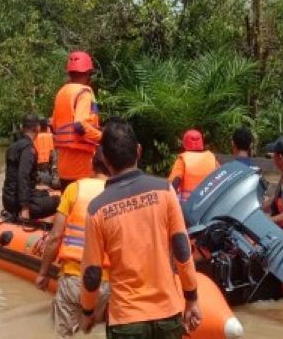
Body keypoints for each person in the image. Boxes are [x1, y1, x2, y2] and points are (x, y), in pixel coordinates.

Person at [78, 119, 202, 338]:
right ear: (138, 150)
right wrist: (191, 298)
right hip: (168, 315)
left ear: (105, 159)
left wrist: (87, 311)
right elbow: (182, 250)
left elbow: (92, 272)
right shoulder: (164, 191)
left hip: (126, 320)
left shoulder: (96, 209)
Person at [34, 149, 113, 337]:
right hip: (107, 281)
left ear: (91, 165)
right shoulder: (118, 193)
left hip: (74, 277)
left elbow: (55, 237)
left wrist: (43, 273)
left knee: (64, 334)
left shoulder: (75, 189)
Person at [51, 50, 102, 190]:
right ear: (88, 73)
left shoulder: (61, 92)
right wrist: (102, 137)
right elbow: (80, 125)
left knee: (67, 202)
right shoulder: (84, 92)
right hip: (81, 163)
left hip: (64, 165)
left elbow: (54, 125)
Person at [2, 114, 59, 221]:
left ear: (22, 128)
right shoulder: (28, 148)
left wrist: (37, 188)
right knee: (59, 201)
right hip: (18, 205)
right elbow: (23, 176)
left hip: (8, 201)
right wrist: (25, 208)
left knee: (45, 193)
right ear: (37, 127)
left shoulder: (14, 146)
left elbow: (14, 177)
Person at [167, 128, 219, 203]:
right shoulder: (211, 157)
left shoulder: (183, 159)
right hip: (208, 201)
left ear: (184, 143)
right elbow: (221, 176)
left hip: (188, 203)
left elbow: (174, 182)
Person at [34, 118, 58, 188]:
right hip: (50, 168)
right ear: (47, 127)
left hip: (38, 168)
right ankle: (55, 182)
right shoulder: (52, 137)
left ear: (39, 127)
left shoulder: (34, 137)